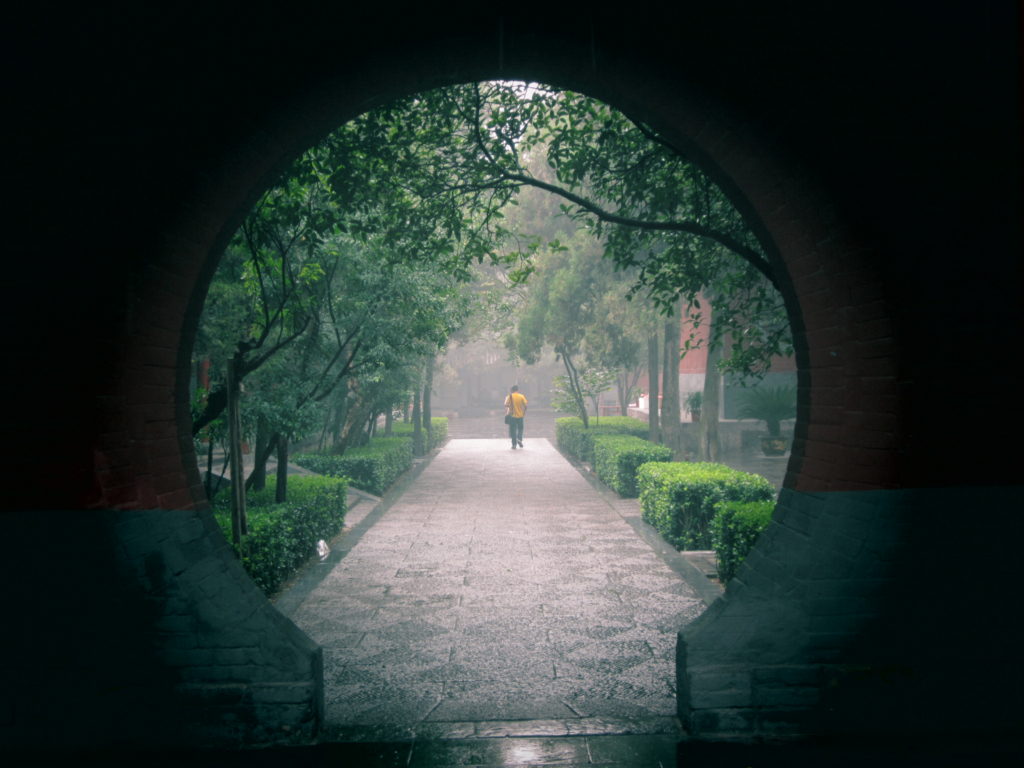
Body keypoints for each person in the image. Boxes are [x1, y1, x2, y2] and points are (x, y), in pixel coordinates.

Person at [504, 384, 528, 449]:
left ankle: (514, 445)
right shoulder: (521, 396)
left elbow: (506, 405)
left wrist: (509, 409)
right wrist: (524, 413)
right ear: (517, 390)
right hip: (520, 416)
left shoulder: (509, 396)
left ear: (511, 390)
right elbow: (525, 405)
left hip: (512, 416)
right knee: (520, 428)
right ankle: (519, 439)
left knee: (513, 430)